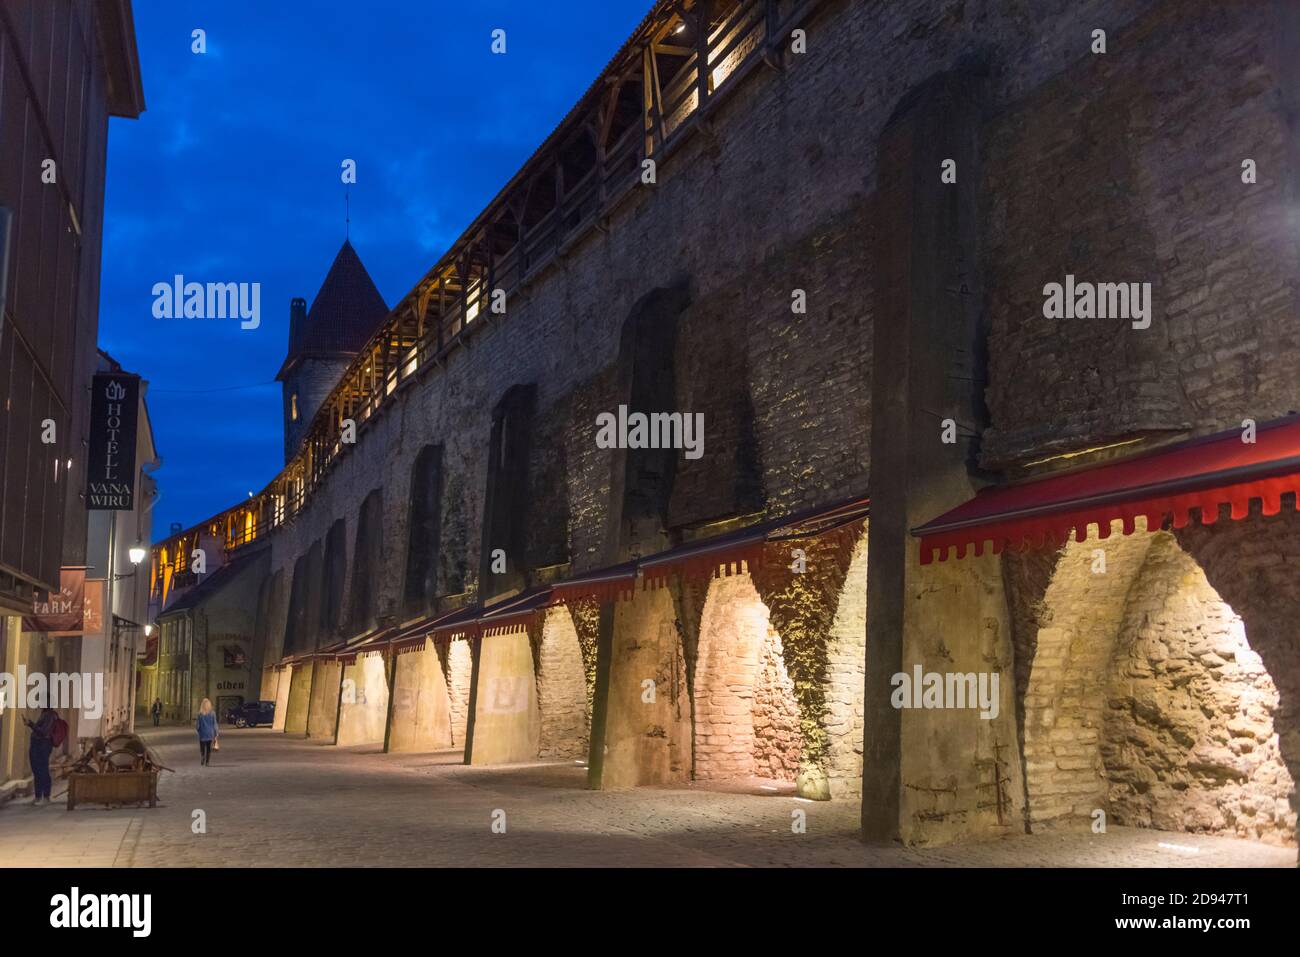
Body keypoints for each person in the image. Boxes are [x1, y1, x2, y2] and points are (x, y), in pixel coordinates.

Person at [22, 707, 56, 806]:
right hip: (36, 745)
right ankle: (38, 796)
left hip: (43, 746)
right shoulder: (44, 713)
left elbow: (43, 732)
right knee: (36, 771)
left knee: (43, 770)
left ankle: (46, 796)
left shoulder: (50, 715)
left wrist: (31, 724)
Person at [196, 698, 219, 766]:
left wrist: (198, 730)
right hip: (210, 733)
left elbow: (197, 725)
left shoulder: (200, 714)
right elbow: (215, 723)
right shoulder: (212, 713)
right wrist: (216, 732)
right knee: (208, 748)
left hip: (202, 733)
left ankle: (203, 756)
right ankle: (207, 762)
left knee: (202, 747)